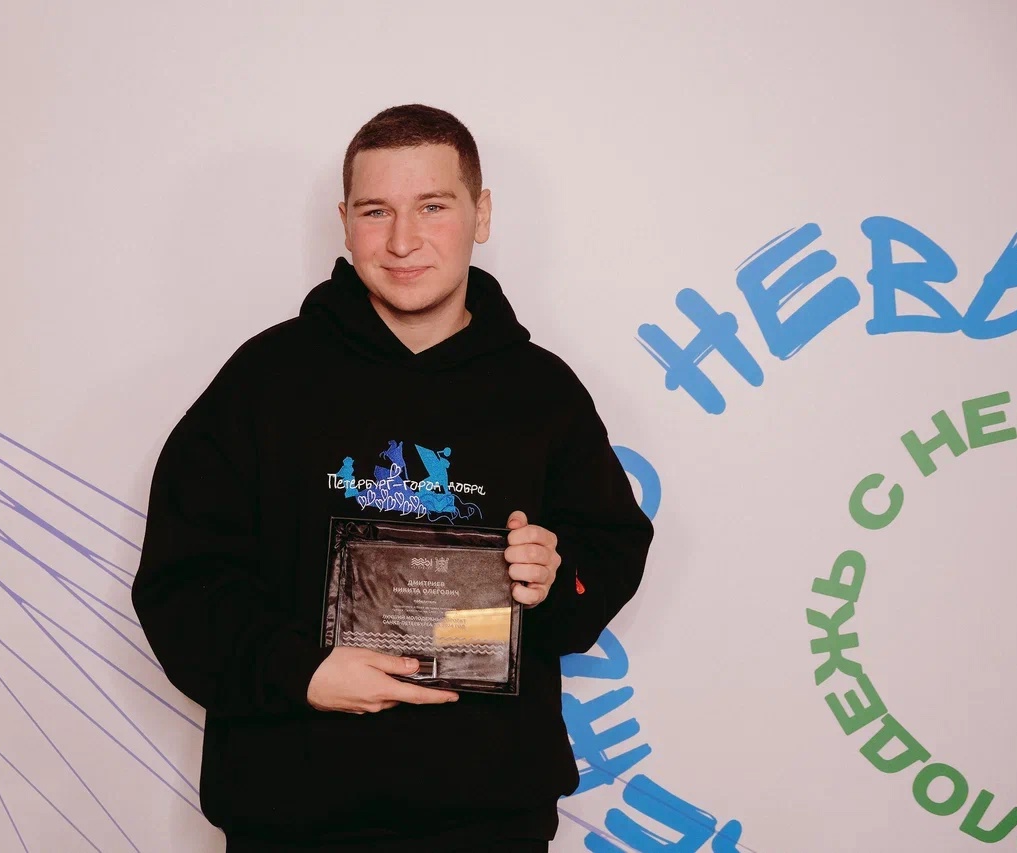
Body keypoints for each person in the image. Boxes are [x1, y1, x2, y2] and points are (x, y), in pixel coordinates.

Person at [132, 104, 654, 853]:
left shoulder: (544, 393)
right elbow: (181, 584)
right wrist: (300, 674)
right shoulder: (262, 381)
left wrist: (555, 575)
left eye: (433, 207)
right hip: (292, 817)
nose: (403, 241)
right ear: (344, 222)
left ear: (481, 215)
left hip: (490, 821)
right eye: (376, 211)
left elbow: (605, 558)